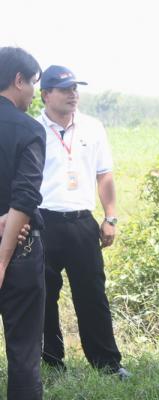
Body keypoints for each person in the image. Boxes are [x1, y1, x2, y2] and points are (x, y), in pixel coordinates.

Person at [37, 65, 130, 379]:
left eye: (75, 88)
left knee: (92, 295)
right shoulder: (32, 128)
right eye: (64, 89)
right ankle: (52, 362)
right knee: (44, 295)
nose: (72, 94)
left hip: (81, 222)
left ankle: (108, 364)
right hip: (42, 222)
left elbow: (104, 175)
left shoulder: (92, 127)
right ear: (45, 94)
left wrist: (110, 217)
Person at [0, 46, 46, 399]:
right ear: (18, 80)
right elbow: (25, 196)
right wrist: (3, 259)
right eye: (32, 83)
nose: (33, 93)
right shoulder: (28, 129)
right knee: (24, 352)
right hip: (20, 252)